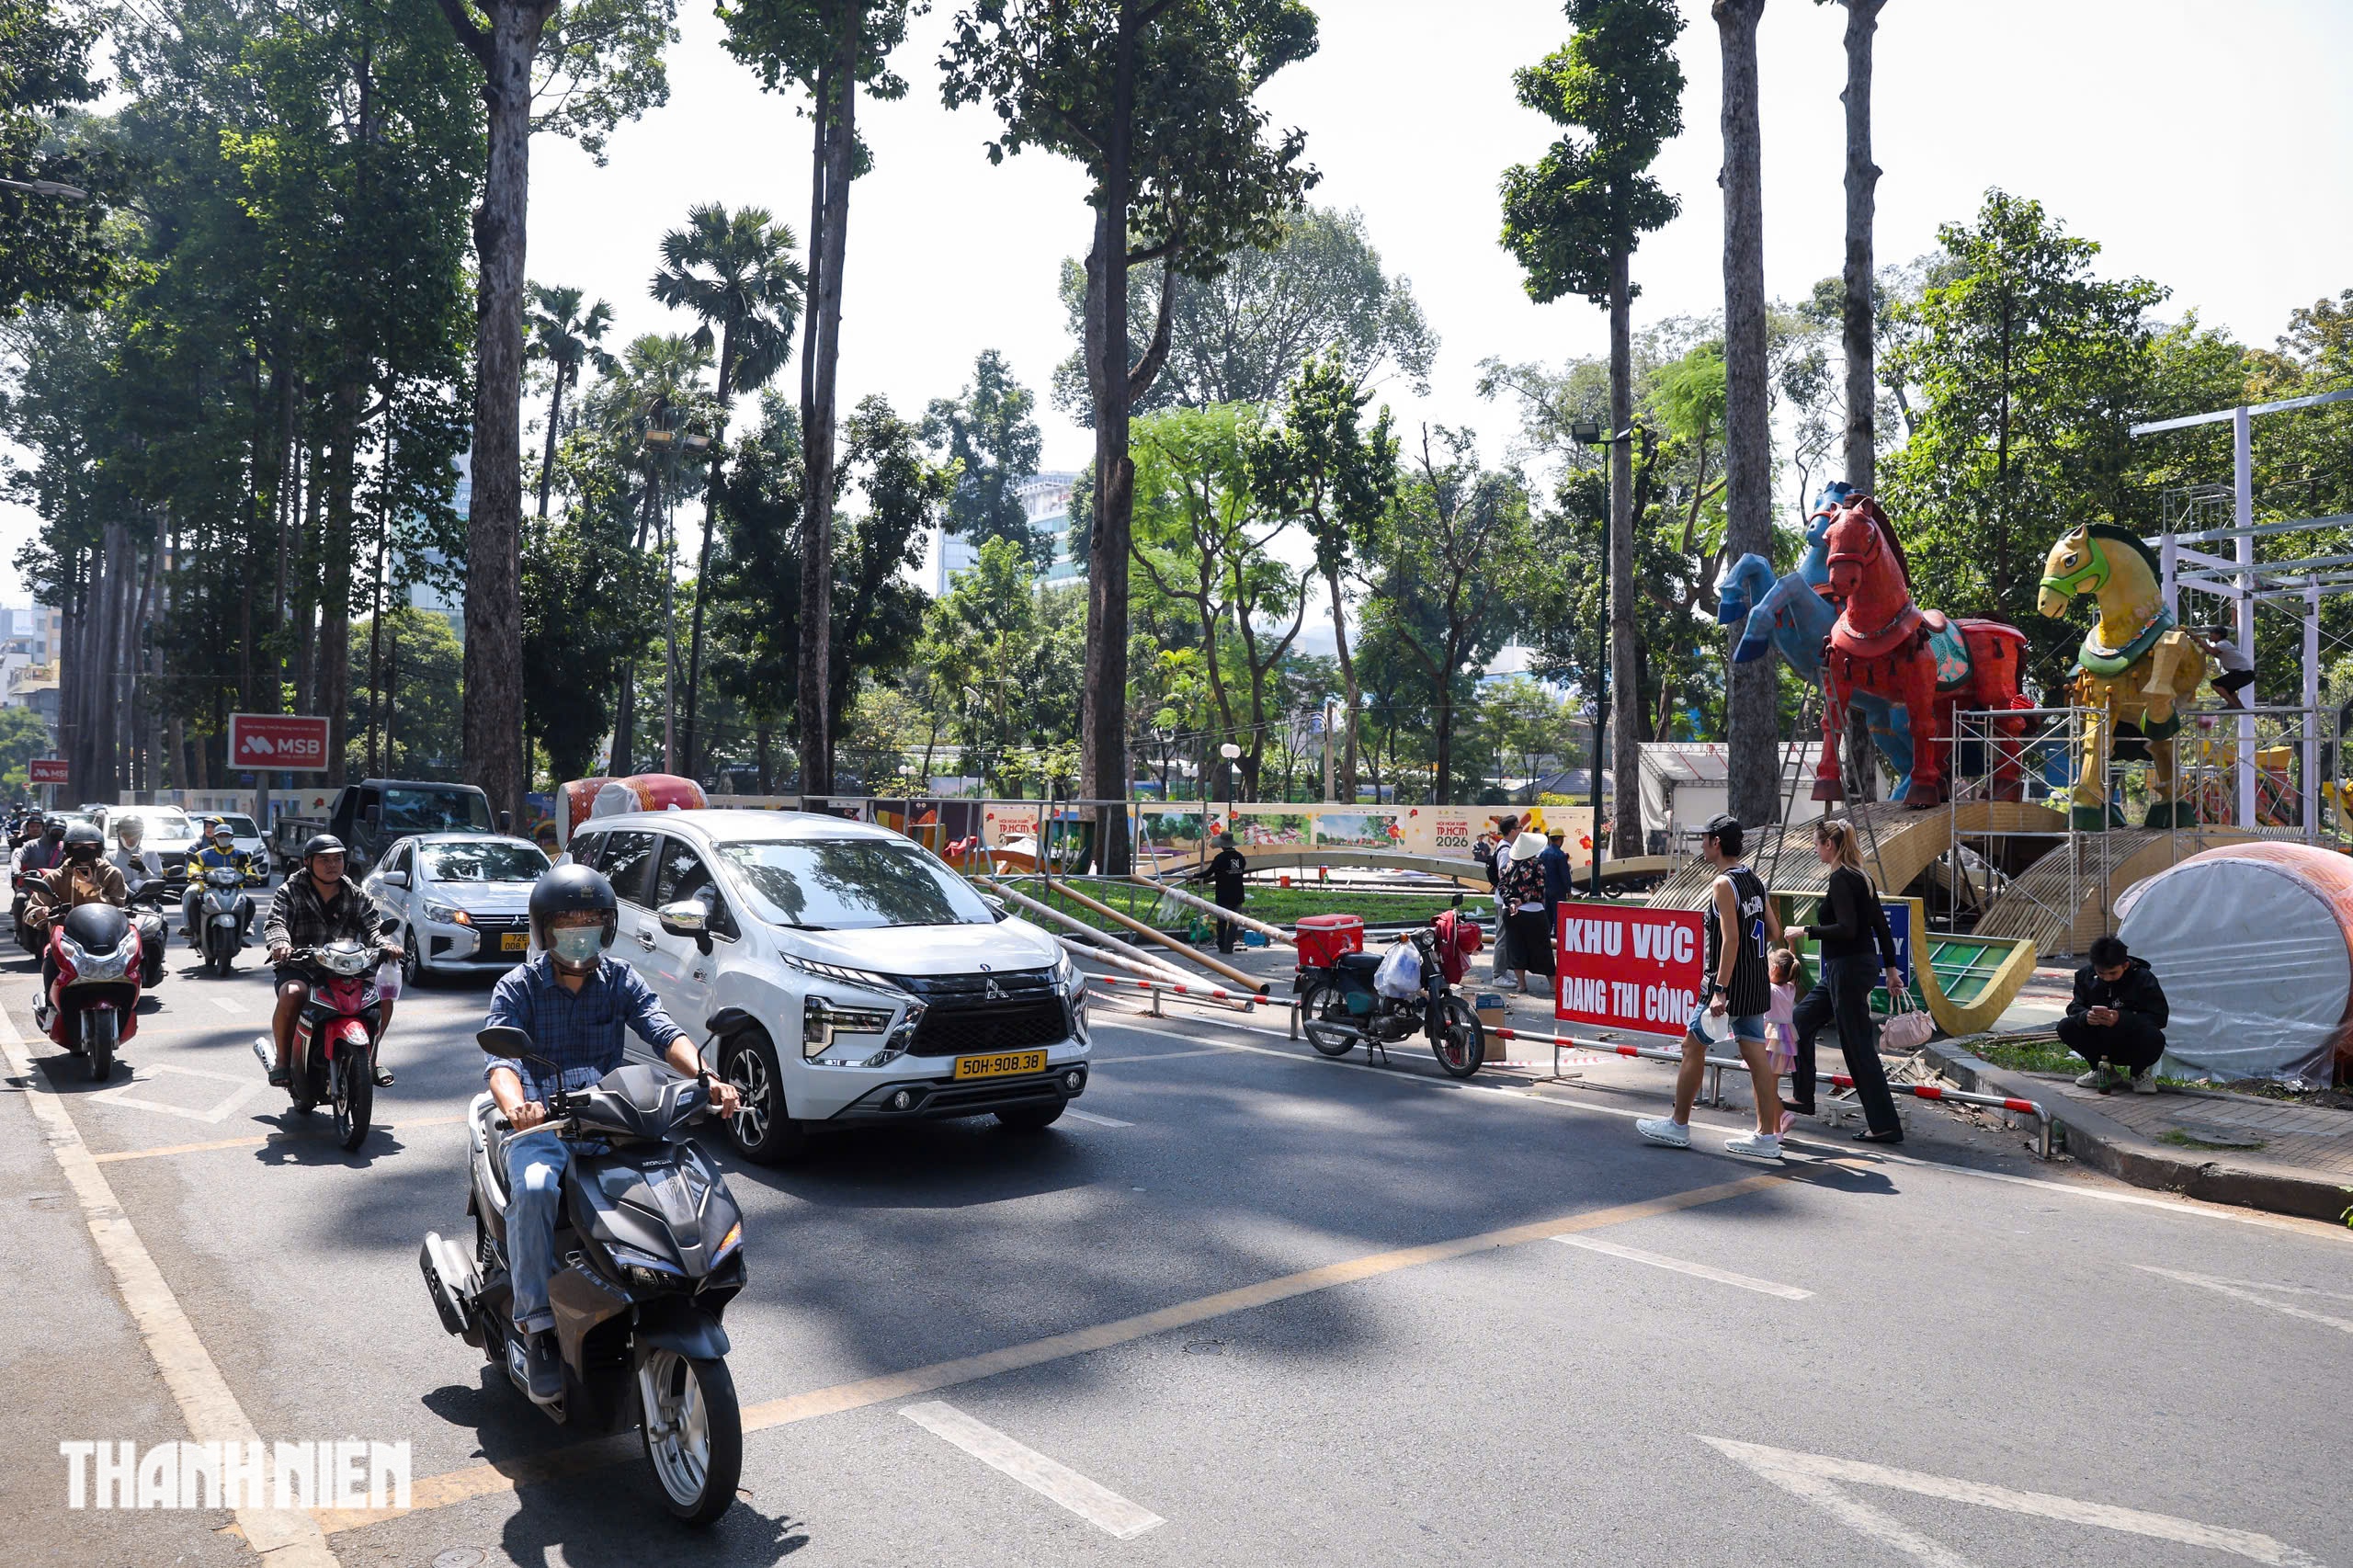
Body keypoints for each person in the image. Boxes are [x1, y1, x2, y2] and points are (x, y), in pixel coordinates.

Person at [482, 864, 742, 1403]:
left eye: (590, 919)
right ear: (543, 929)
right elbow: (500, 1067)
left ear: (607, 925)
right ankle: (538, 1329)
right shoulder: (520, 986)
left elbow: (663, 1031)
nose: (578, 930)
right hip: (545, 1121)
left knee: (678, 1179)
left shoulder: (622, 979)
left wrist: (706, 1077)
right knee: (533, 1190)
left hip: (613, 1118)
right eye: (565, 921)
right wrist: (518, 1108)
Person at [1636, 813, 1788, 1162]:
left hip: (1728, 982)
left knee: (1692, 1045)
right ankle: (1767, 1135)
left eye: (1704, 838)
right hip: (1754, 981)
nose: (1701, 844)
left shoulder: (1723, 885)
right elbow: (1774, 931)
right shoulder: (1754, 879)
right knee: (1755, 1055)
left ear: (1716, 842)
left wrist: (1720, 989)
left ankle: (1678, 1125)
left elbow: (1730, 940)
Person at [1781, 818, 1908, 1143]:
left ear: (1830, 845)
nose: (1814, 848)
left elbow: (1848, 929)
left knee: (1857, 1048)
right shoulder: (1862, 877)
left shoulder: (1841, 878)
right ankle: (1803, 1095)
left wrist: (1805, 930)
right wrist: (1891, 969)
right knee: (1799, 1020)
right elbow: (1880, 925)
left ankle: (1885, 1125)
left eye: (1816, 843)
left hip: (1847, 968)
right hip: (1850, 968)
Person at [264, 835, 402, 1089]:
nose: (332, 865)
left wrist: (386, 945)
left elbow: (374, 926)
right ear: (308, 862)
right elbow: (276, 922)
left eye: (337, 859)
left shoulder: (356, 894)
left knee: (383, 994)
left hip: (347, 965)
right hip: (301, 965)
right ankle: (282, 1061)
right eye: (324, 860)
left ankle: (371, 1059)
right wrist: (281, 943)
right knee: (293, 993)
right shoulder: (290, 890)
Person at [28, 822, 131, 1022]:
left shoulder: (111, 874)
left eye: (90, 845)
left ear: (99, 848)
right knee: (50, 961)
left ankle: (128, 1003)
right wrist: (40, 912)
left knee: (131, 957)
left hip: (105, 938)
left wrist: (91, 888)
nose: (84, 850)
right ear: (68, 849)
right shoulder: (55, 878)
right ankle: (51, 1009)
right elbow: (32, 909)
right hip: (68, 939)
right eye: (77, 846)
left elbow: (119, 907)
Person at [2058, 934, 2170, 1094]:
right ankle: (2102, 1070)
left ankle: (2138, 1074)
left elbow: (2159, 1017)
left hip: (2131, 1040)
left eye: (2112, 973)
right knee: (2066, 1026)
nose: (2107, 978)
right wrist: (2085, 1016)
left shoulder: (2143, 978)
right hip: (2099, 1037)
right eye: (2101, 974)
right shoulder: (2085, 976)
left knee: (2155, 1037)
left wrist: (2122, 1018)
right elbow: (2074, 1006)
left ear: (2124, 966)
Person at [184, 821, 258, 949]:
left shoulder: (241, 855)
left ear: (232, 838)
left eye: (226, 836)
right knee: (194, 902)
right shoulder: (203, 854)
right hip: (208, 889)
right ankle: (196, 932)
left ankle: (242, 933)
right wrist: (195, 874)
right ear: (214, 838)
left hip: (234, 890)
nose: (223, 839)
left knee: (250, 904)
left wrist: (251, 875)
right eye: (220, 836)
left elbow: (247, 869)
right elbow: (194, 867)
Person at [1496, 829, 1552, 995]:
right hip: (1534, 911)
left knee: (1516, 947)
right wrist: (1524, 899)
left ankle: (1521, 984)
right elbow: (1540, 888)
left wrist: (1511, 902)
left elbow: (1501, 886)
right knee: (1543, 948)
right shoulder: (1537, 864)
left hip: (1511, 912)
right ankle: (1554, 986)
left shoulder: (1510, 864)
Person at [1488, 815, 1521, 979]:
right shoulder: (1506, 851)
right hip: (1504, 901)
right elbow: (1504, 877)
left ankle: (1503, 971)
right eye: (1519, 827)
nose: (1521, 830)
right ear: (1512, 831)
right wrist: (1510, 898)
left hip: (1502, 899)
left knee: (1506, 937)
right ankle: (1498, 974)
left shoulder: (1505, 846)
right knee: (1502, 938)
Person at [1206, 832, 1249, 953]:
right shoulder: (1240, 857)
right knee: (1234, 923)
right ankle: (1229, 947)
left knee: (1222, 921)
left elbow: (1208, 873)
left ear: (1222, 845)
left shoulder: (1220, 858)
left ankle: (1221, 944)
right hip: (1238, 894)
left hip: (1223, 895)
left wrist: (1193, 876)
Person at [2195, 626, 2256, 710]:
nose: (2209, 636)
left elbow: (2212, 651)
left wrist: (2198, 640)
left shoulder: (2223, 644)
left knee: (2215, 684)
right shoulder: (2224, 645)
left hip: (2243, 673)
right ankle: (2238, 706)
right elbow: (2213, 653)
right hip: (2246, 674)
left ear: (2218, 635)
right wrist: (2200, 644)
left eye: (2211, 634)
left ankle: (2231, 704)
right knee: (2228, 689)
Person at [111, 815, 165, 901]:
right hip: (121, 902)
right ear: (119, 835)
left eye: (135, 835)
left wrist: (143, 870)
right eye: (126, 834)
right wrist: (129, 893)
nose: (131, 839)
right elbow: (109, 882)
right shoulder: (109, 857)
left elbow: (157, 882)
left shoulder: (150, 854)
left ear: (141, 836)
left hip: (147, 902)